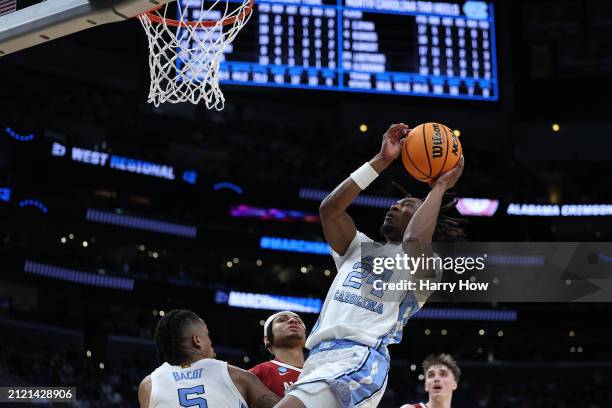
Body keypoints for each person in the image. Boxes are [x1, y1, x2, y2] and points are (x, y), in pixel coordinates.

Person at [274, 123, 466, 408]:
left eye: (407, 205)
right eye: (396, 203)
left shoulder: (427, 267)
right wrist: (382, 160)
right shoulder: (358, 248)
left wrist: (439, 186)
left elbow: (414, 239)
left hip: (357, 358)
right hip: (317, 359)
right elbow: (329, 210)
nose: (395, 206)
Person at [138, 309, 280, 408]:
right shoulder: (235, 376)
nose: (211, 342)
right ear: (197, 340)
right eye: (207, 335)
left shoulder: (149, 385)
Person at [250, 311, 307, 397]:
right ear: (267, 339)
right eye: (282, 320)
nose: (293, 320)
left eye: (299, 321)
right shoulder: (257, 373)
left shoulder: (322, 369)